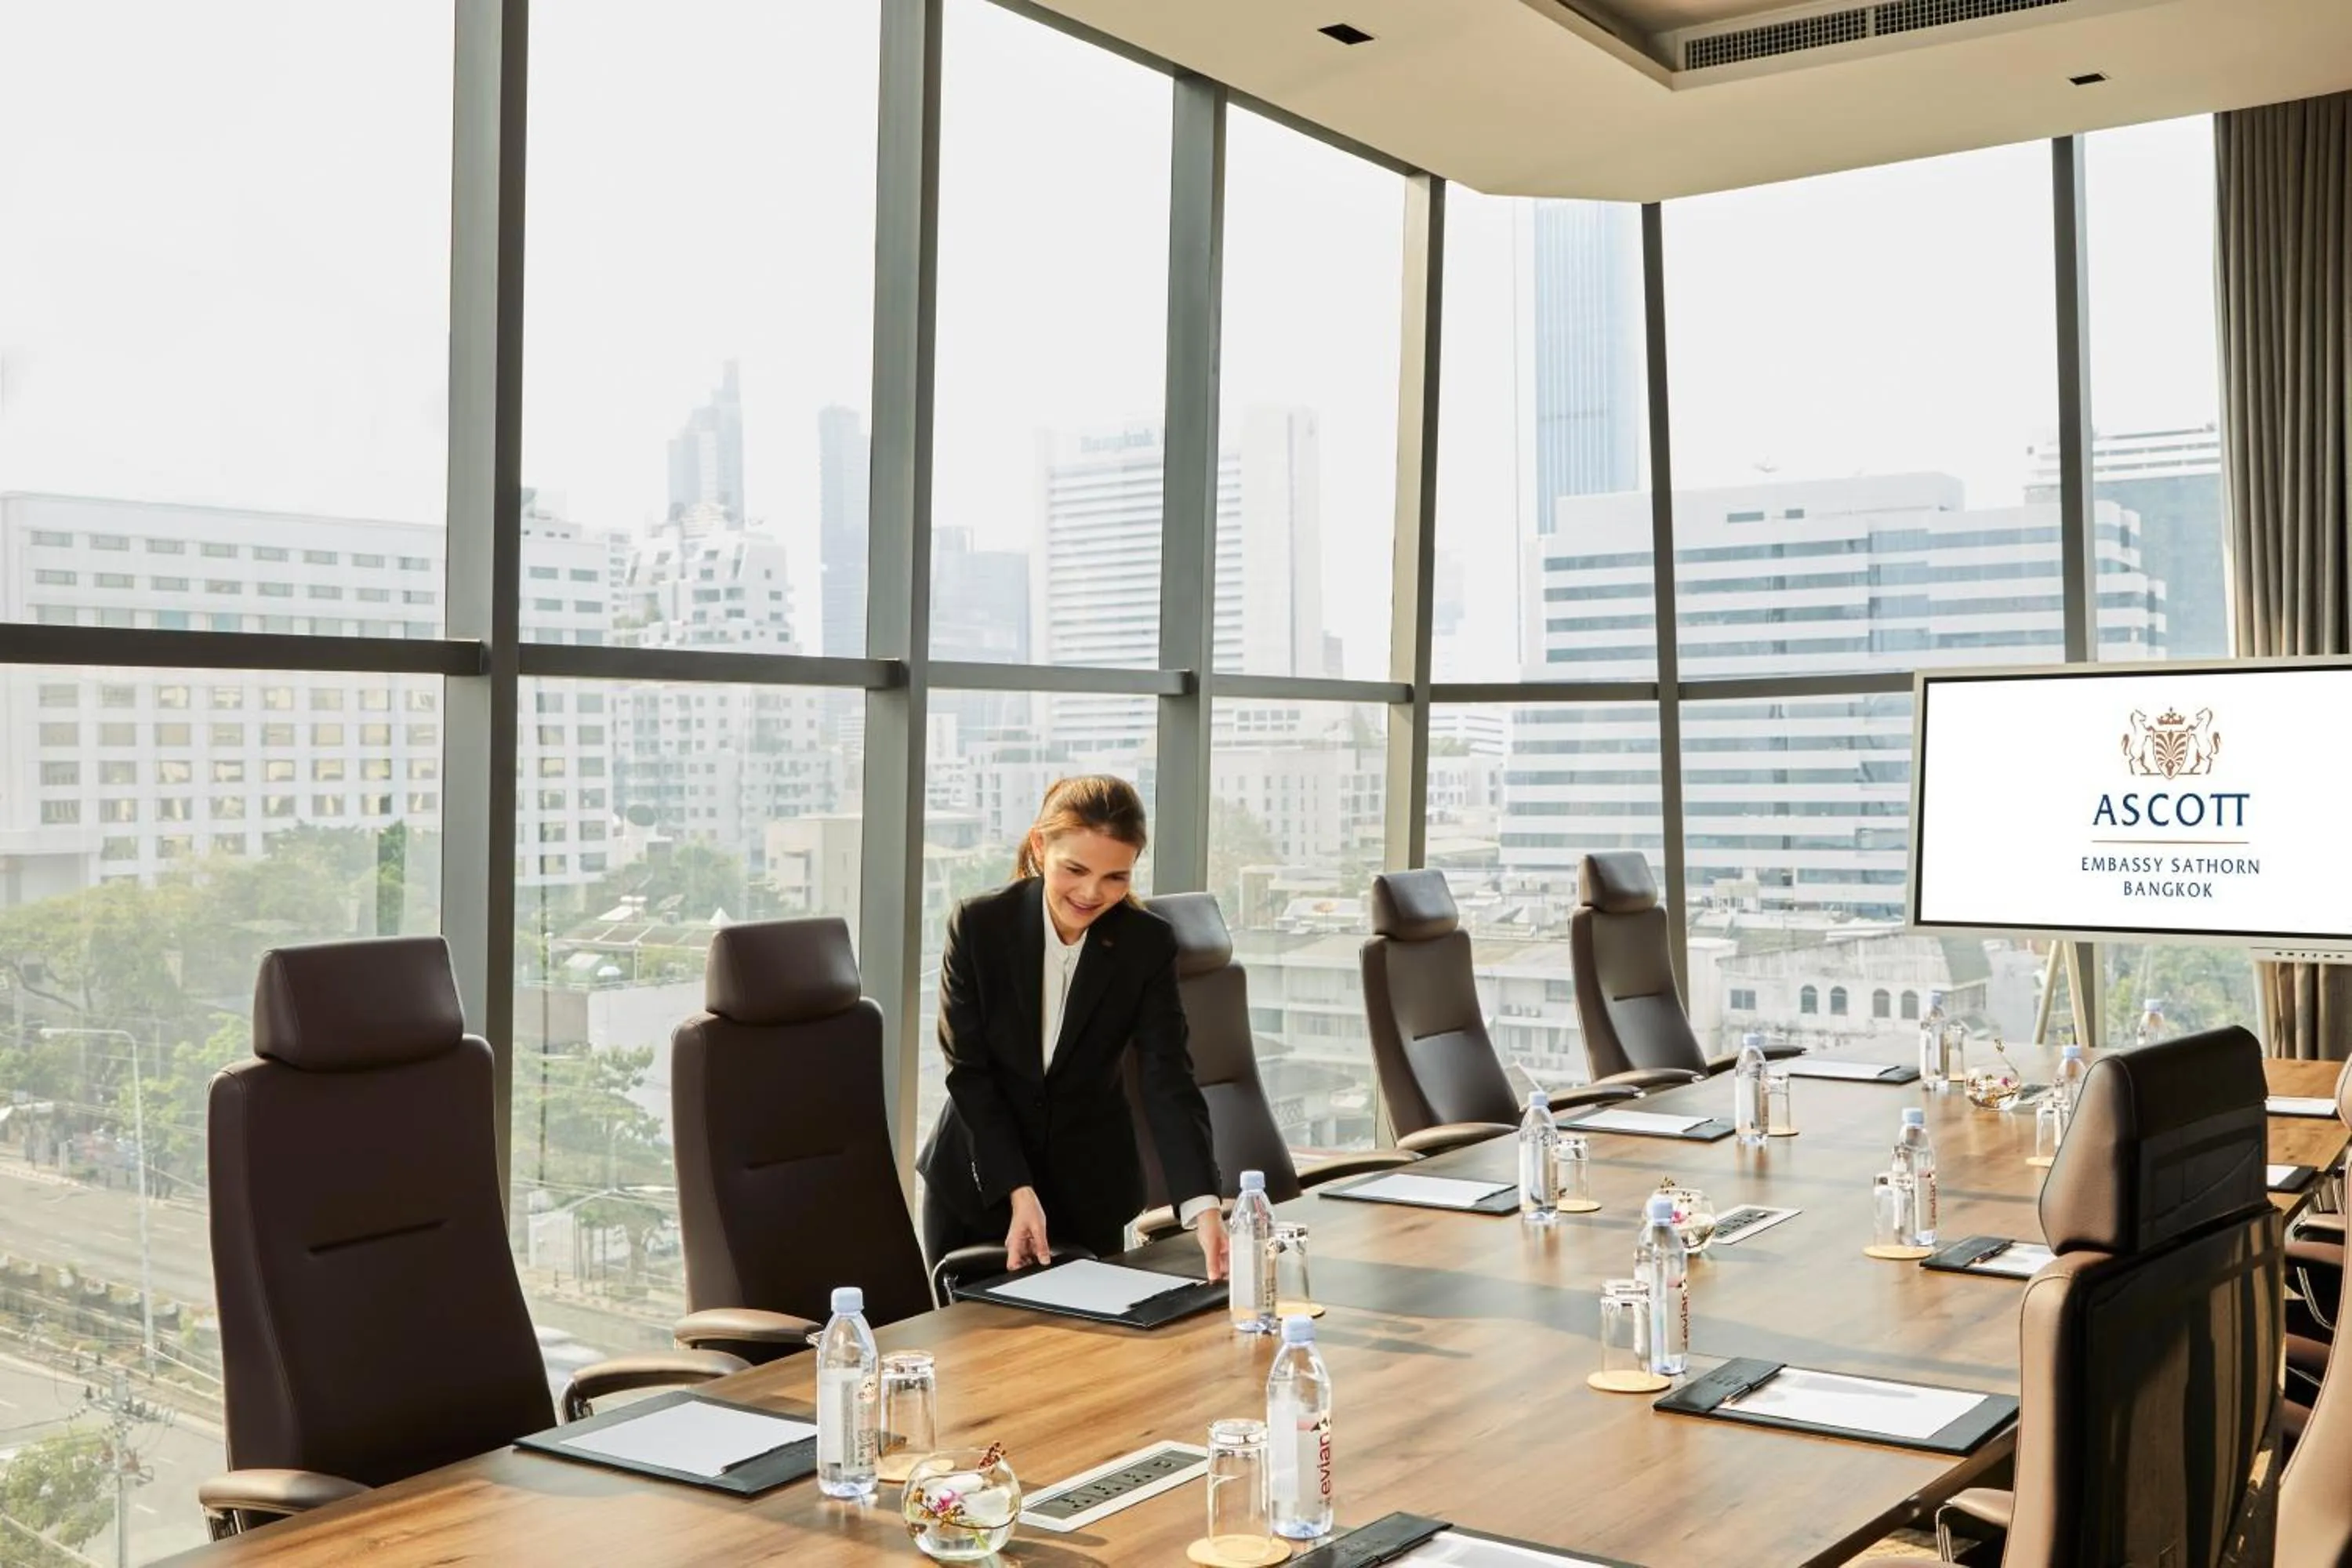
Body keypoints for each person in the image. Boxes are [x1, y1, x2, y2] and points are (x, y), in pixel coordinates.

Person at [917, 775, 1229, 1279]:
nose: (1091, 893)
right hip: (979, 1185)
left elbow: (1168, 1078)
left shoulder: (1145, 944)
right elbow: (969, 1072)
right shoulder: (980, 926)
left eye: (1115, 877)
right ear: (1041, 848)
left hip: (1088, 1194)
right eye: (1076, 869)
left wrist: (1203, 1207)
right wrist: (1017, 1189)